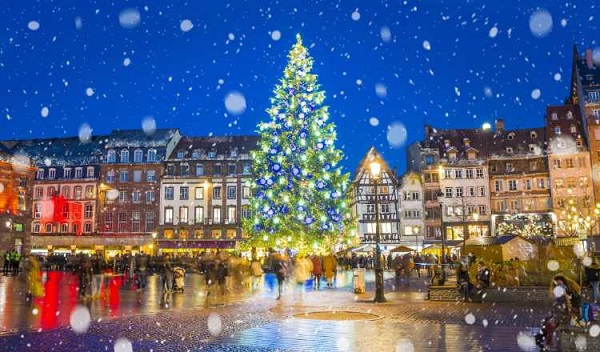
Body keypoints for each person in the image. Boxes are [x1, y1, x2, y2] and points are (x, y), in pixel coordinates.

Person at [536, 275, 579, 350]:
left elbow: (564, 309)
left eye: (560, 284)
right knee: (546, 321)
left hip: (569, 315)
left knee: (549, 325)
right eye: (557, 284)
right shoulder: (563, 291)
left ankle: (545, 342)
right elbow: (557, 308)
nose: (558, 286)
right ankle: (543, 340)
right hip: (565, 314)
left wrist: (554, 318)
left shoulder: (565, 292)